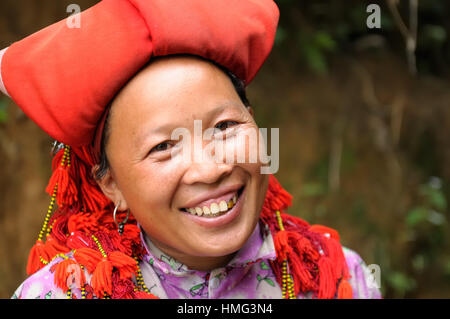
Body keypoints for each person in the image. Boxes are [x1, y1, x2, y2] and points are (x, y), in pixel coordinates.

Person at [0, 0, 381, 299]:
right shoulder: (66, 293)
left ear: (252, 119)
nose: (210, 169)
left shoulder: (337, 278)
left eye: (225, 126)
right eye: (163, 146)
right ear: (111, 183)